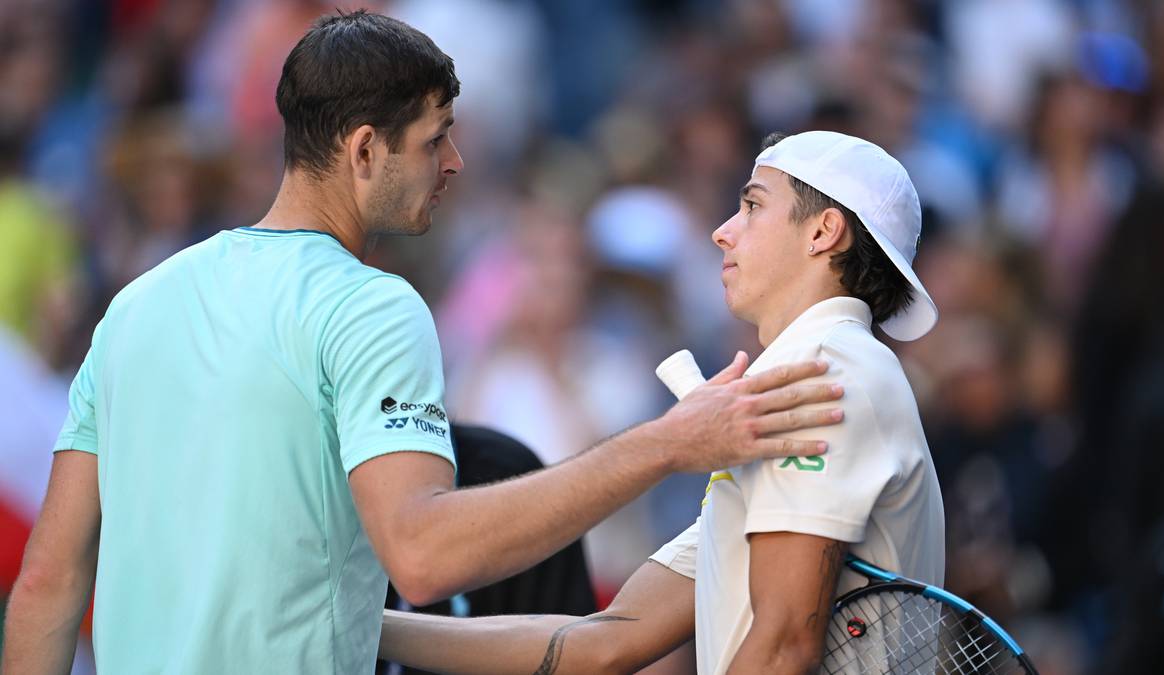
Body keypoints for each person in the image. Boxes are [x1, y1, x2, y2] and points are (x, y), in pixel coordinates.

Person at [0, 12, 845, 675]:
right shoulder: (370, 306)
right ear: (365, 150)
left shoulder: (137, 305)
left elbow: (47, 582)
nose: (457, 162)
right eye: (436, 136)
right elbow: (426, 550)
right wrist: (669, 443)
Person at [378, 130, 946, 674]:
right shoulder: (815, 373)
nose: (723, 232)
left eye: (752, 207)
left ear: (823, 232)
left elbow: (783, 648)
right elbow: (607, 641)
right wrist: (359, 628)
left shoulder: (828, 371)